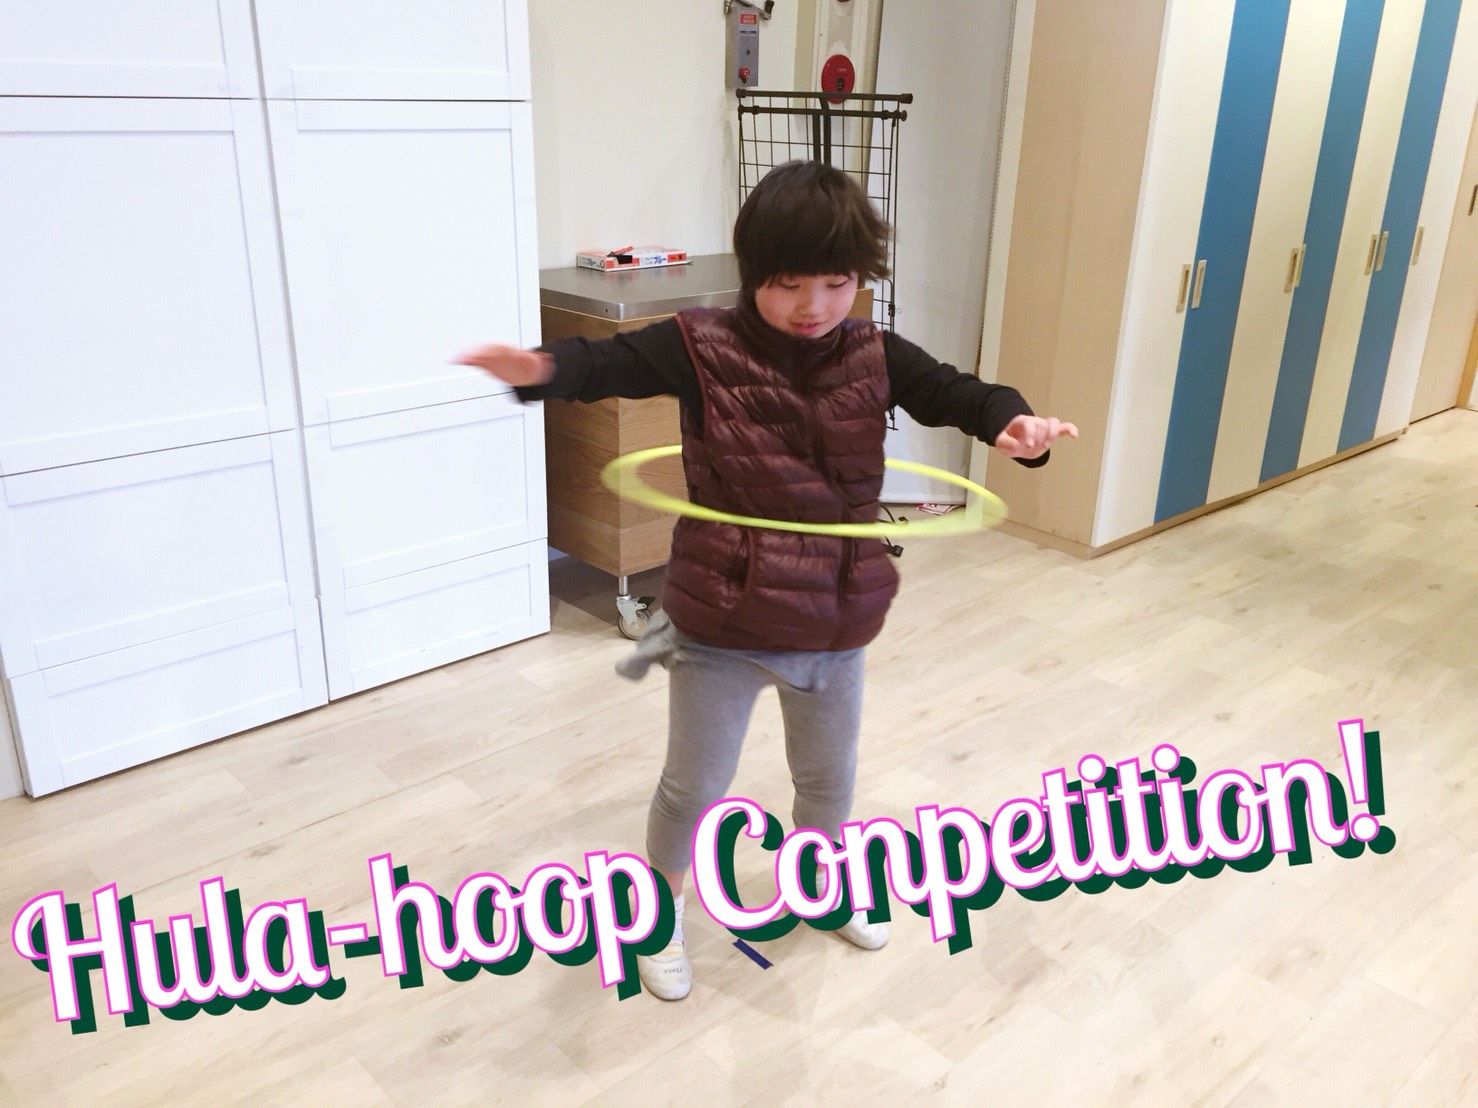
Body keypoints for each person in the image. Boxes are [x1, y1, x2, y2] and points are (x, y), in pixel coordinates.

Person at [455, 160, 1077, 1000]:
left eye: (837, 282)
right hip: (721, 620)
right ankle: (656, 916)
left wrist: (1015, 424)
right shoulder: (699, 345)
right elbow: (606, 365)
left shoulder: (875, 352)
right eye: (790, 284)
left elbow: (959, 393)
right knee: (694, 788)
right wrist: (539, 370)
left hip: (834, 620)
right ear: (755, 275)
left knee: (828, 783)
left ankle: (820, 887)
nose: (815, 305)